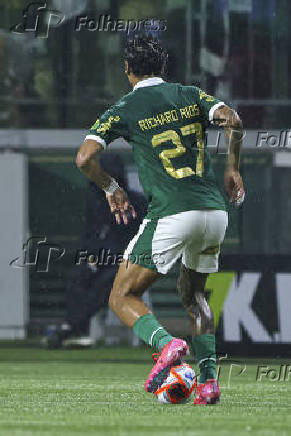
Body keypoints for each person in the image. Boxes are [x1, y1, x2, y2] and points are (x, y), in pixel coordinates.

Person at [76, 36, 244, 405]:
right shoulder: (191, 94)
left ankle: (168, 345)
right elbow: (232, 120)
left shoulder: (125, 107)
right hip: (215, 212)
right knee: (195, 294)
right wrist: (232, 168)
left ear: (126, 69)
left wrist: (110, 188)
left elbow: (85, 158)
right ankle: (210, 383)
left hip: (172, 212)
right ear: (163, 66)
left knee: (122, 296)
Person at [45, 154, 147, 348]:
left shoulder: (137, 202)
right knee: (77, 277)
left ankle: (71, 327)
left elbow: (141, 237)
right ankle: (79, 331)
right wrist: (90, 258)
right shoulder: (96, 201)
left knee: (106, 284)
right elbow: (91, 235)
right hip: (98, 258)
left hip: (126, 261)